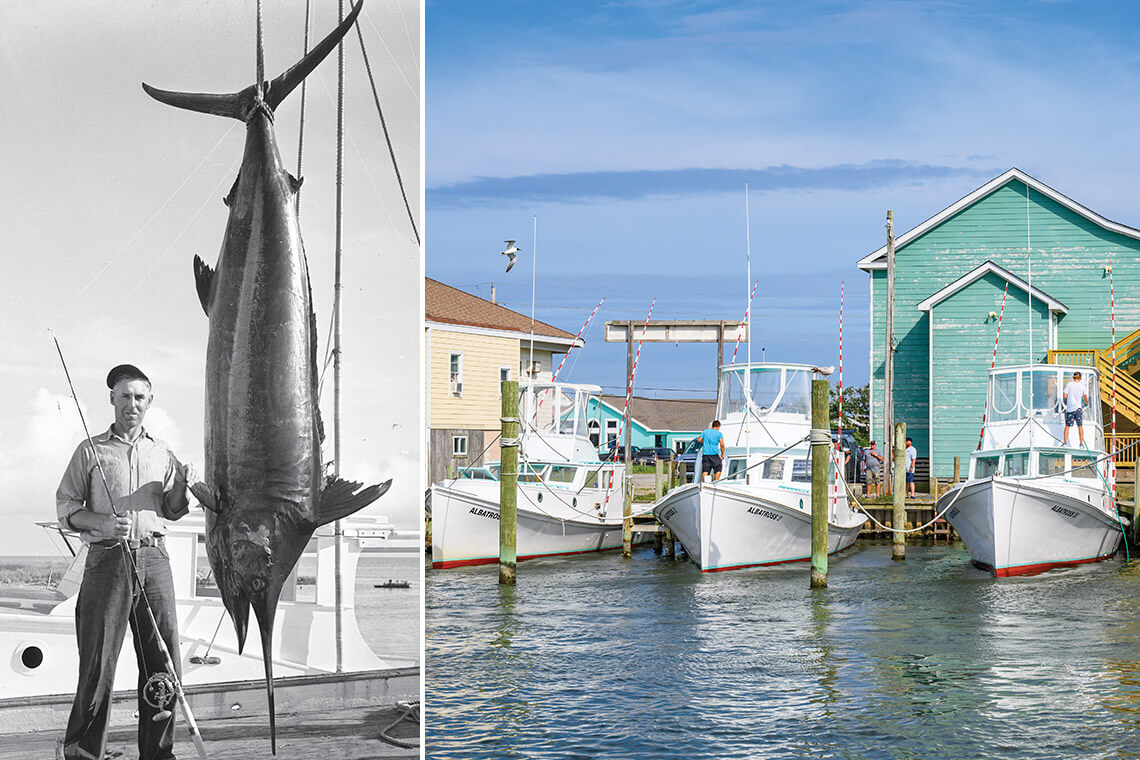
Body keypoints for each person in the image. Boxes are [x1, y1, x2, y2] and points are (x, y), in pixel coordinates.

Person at [56, 364, 191, 760]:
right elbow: (66, 506)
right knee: (98, 665)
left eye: (139, 397)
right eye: (124, 396)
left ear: (149, 401)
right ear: (112, 399)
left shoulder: (163, 451)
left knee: (162, 662)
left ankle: (158, 753)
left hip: (154, 558)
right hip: (108, 559)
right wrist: (99, 522)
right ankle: (83, 752)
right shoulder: (90, 450)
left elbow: (173, 509)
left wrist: (182, 486)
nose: (131, 404)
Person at [1062, 370, 1089, 446]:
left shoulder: (1069, 384)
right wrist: (1086, 403)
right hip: (1078, 408)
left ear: (1073, 377)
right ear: (1080, 378)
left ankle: (1065, 442)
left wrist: (1069, 399)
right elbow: (1085, 397)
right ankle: (1081, 443)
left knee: (1067, 426)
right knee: (1080, 426)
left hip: (1070, 408)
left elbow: (1064, 396)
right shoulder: (1083, 386)